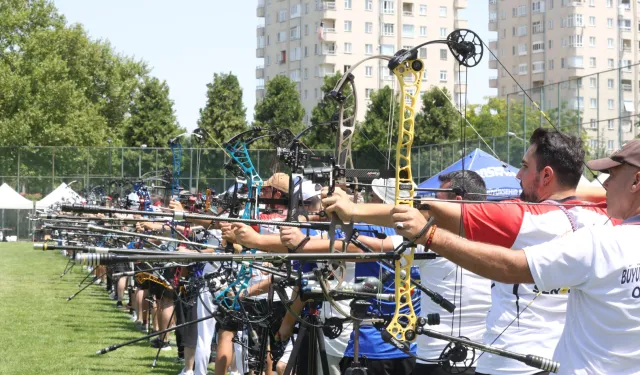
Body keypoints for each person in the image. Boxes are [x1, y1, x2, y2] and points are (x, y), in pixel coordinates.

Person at [322, 128, 613, 375]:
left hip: (509, 363)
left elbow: (431, 210)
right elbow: (597, 193)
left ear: (546, 175)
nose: (518, 176)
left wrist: (353, 210)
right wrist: (572, 193)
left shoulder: (525, 218)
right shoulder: (604, 218)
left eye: (525, 166)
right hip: (563, 361)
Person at [387, 139, 640, 374]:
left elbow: (510, 267)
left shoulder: (590, 237)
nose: (604, 183)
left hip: (511, 364)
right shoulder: (600, 222)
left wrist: (428, 235)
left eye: (613, 175)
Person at [411, 171, 492, 375]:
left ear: (456, 200)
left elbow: (378, 246)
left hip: (437, 361)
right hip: (483, 361)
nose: (432, 204)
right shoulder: (501, 239)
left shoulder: (432, 239)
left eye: (437, 199)